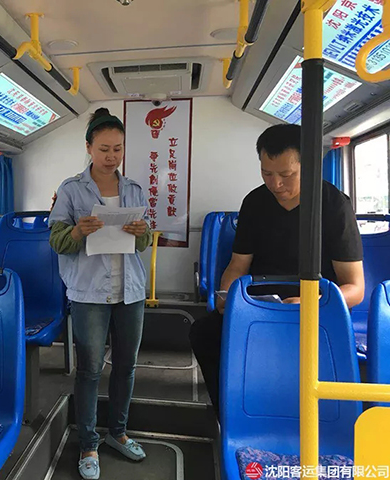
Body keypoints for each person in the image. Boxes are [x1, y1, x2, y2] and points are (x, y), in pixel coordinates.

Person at [189, 124, 365, 417]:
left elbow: (355, 288)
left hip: (315, 310)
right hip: (260, 307)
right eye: (267, 173)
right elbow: (237, 266)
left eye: (286, 174)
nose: (276, 184)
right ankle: (231, 415)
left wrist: (308, 302)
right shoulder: (255, 202)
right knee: (205, 333)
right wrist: (226, 295)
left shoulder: (334, 206)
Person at [49, 108, 152, 480]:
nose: (111, 156)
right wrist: (78, 231)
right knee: (90, 370)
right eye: (104, 149)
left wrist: (141, 232)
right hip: (89, 291)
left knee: (126, 366)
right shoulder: (71, 189)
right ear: (89, 147)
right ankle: (89, 443)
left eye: (118, 149)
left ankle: (118, 433)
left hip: (130, 289)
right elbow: (57, 242)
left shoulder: (134, 189)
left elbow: (144, 242)